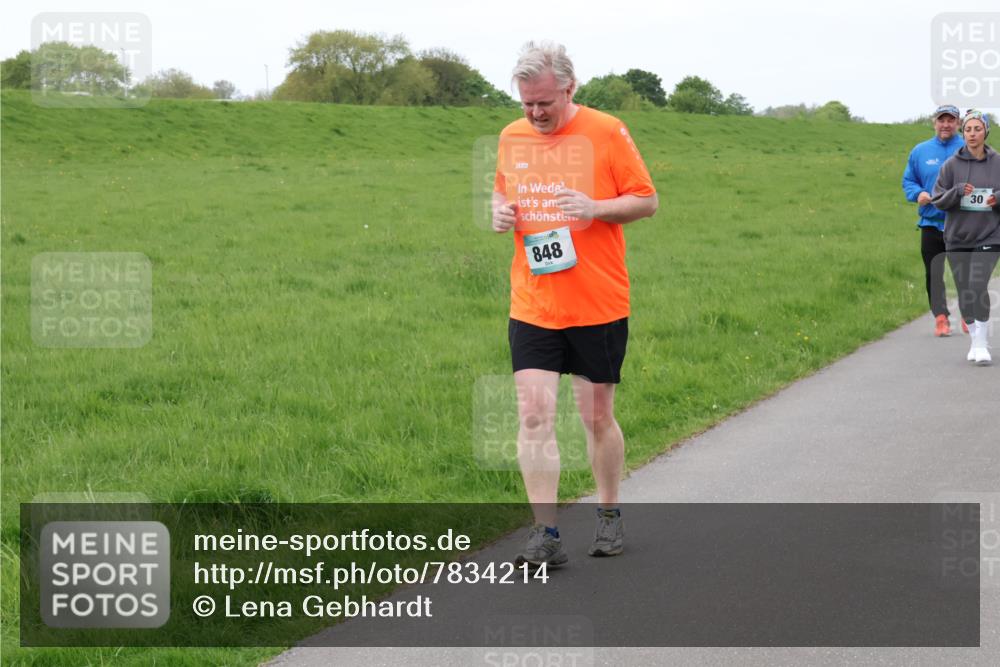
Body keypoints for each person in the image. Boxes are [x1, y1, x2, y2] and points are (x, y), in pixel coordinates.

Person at [491, 41, 658, 567]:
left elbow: (647, 199)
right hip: (534, 301)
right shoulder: (511, 136)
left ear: (570, 87)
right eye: (526, 103)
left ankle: (608, 514)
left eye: (545, 102)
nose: (536, 113)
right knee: (534, 413)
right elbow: (503, 192)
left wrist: (595, 207)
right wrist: (499, 212)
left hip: (597, 303)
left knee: (596, 415)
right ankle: (547, 535)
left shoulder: (606, 132)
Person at [931, 109, 1000, 365]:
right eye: (968, 130)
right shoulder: (951, 166)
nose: (972, 134)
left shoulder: (998, 163)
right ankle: (975, 339)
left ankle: (982, 344)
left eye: (977, 129)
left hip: (989, 235)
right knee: (964, 291)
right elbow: (938, 199)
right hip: (958, 237)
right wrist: (957, 192)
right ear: (963, 133)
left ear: (986, 131)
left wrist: (998, 199)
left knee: (977, 286)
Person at [902, 104, 965, 336]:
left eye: (951, 120)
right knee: (934, 273)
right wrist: (917, 194)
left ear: (958, 123)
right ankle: (941, 317)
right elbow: (909, 180)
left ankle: (969, 314)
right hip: (931, 223)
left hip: (961, 223)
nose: (946, 124)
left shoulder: (969, 148)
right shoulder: (920, 151)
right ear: (934, 122)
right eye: (942, 120)